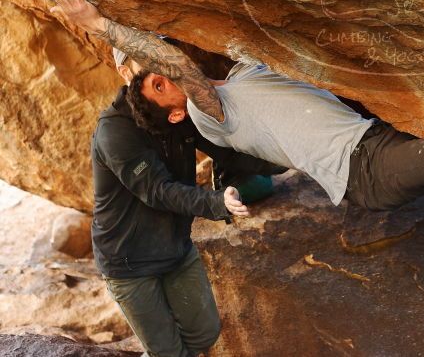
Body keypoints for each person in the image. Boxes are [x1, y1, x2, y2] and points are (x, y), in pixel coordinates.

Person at [51, 0, 424, 239]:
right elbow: (170, 62)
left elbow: (154, 60)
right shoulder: (214, 116)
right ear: (175, 114)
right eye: (159, 88)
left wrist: (115, 35)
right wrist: (101, 27)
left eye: (153, 79)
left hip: (374, 138)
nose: (161, 79)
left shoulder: (241, 75)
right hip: (363, 171)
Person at [91, 46, 286, 357]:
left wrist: (288, 156)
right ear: (125, 73)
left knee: (205, 332)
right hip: (129, 262)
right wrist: (217, 203)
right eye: (143, 59)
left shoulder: (179, 109)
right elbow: (158, 191)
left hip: (175, 249)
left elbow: (227, 149)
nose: (158, 64)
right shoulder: (114, 131)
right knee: (168, 351)